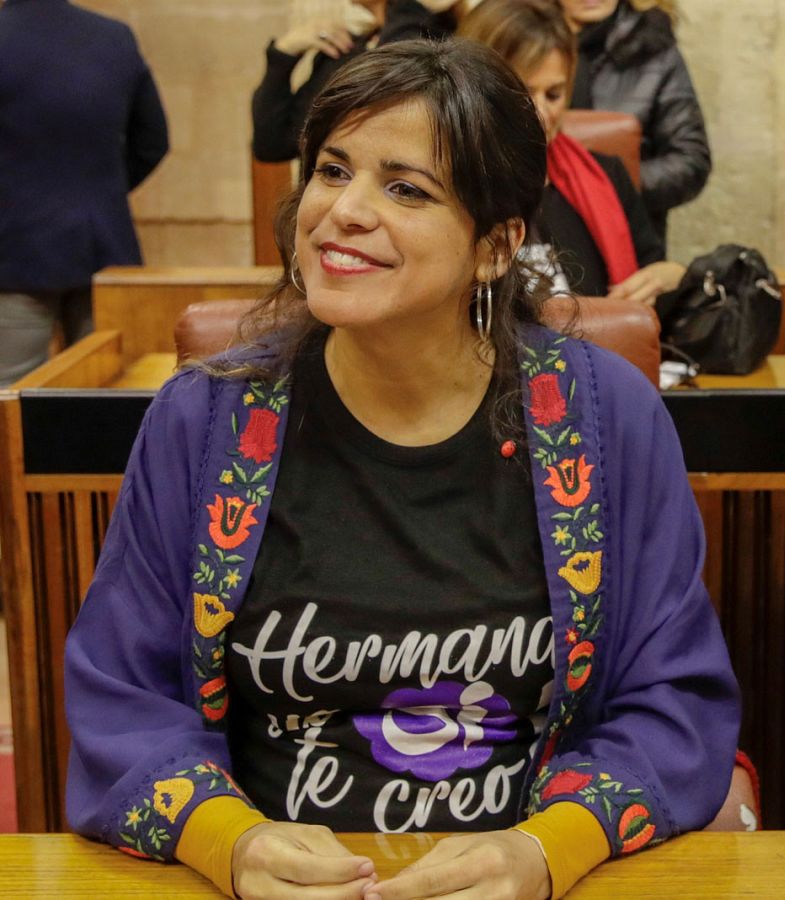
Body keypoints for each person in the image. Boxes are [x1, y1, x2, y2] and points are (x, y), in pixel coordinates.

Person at [64, 40, 738, 900]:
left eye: (406, 188)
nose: (343, 211)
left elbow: (675, 701)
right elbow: (120, 692)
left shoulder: (607, 422)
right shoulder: (205, 423)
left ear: (496, 246)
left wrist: (545, 852)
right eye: (332, 170)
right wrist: (231, 843)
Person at [460, 0, 685, 304]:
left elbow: (654, 279)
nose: (540, 113)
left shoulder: (607, 176)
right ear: (475, 91)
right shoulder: (450, 188)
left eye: (554, 94)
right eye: (521, 93)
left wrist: (672, 276)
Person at [0, 0, 167, 386]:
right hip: (102, 245)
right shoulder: (113, 37)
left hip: (12, 252)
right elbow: (153, 141)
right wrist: (104, 192)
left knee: (11, 395)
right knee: (102, 388)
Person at [559, 0, 707, 244]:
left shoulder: (654, 49)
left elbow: (691, 161)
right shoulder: (522, 40)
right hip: (541, 233)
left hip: (630, 235)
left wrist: (610, 185)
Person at [250, 0, 459, 163]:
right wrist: (284, 52)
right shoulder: (346, 46)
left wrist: (410, 6)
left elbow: (389, 79)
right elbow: (271, 145)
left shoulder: (431, 42)